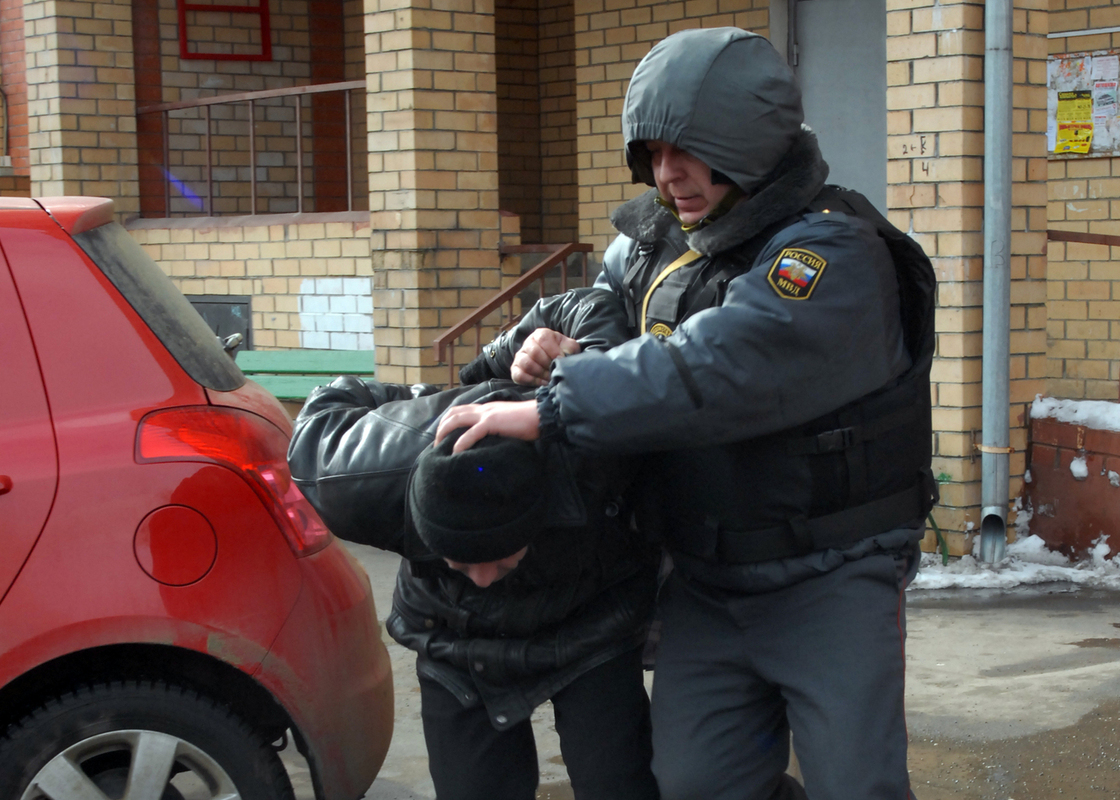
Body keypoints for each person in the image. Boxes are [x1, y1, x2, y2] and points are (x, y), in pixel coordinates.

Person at [435, 27, 937, 800]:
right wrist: (547, 346)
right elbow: (600, 313)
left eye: (690, 152)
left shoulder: (833, 254)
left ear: (749, 144)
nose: (669, 175)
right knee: (697, 784)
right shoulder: (656, 246)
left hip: (831, 577)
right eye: (654, 154)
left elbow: (723, 364)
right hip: (706, 581)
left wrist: (556, 405)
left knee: (855, 784)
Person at [287, 289, 661, 800]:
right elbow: (322, 408)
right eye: (460, 562)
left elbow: (595, 307)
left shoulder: (591, 451)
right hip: (454, 640)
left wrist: (516, 354)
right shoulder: (356, 479)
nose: (483, 579)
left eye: (502, 561)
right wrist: (438, 395)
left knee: (620, 786)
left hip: (589, 620)